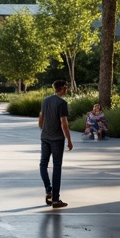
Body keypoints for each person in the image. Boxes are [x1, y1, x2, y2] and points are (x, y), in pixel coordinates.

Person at [38, 79, 73, 208]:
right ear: (62, 88)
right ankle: (56, 199)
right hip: (57, 139)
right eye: (66, 87)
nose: (67, 89)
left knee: (43, 164)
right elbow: (64, 123)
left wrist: (44, 129)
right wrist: (69, 140)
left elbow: (41, 118)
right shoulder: (62, 103)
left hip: (45, 137)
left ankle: (48, 190)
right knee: (57, 167)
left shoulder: (46, 100)